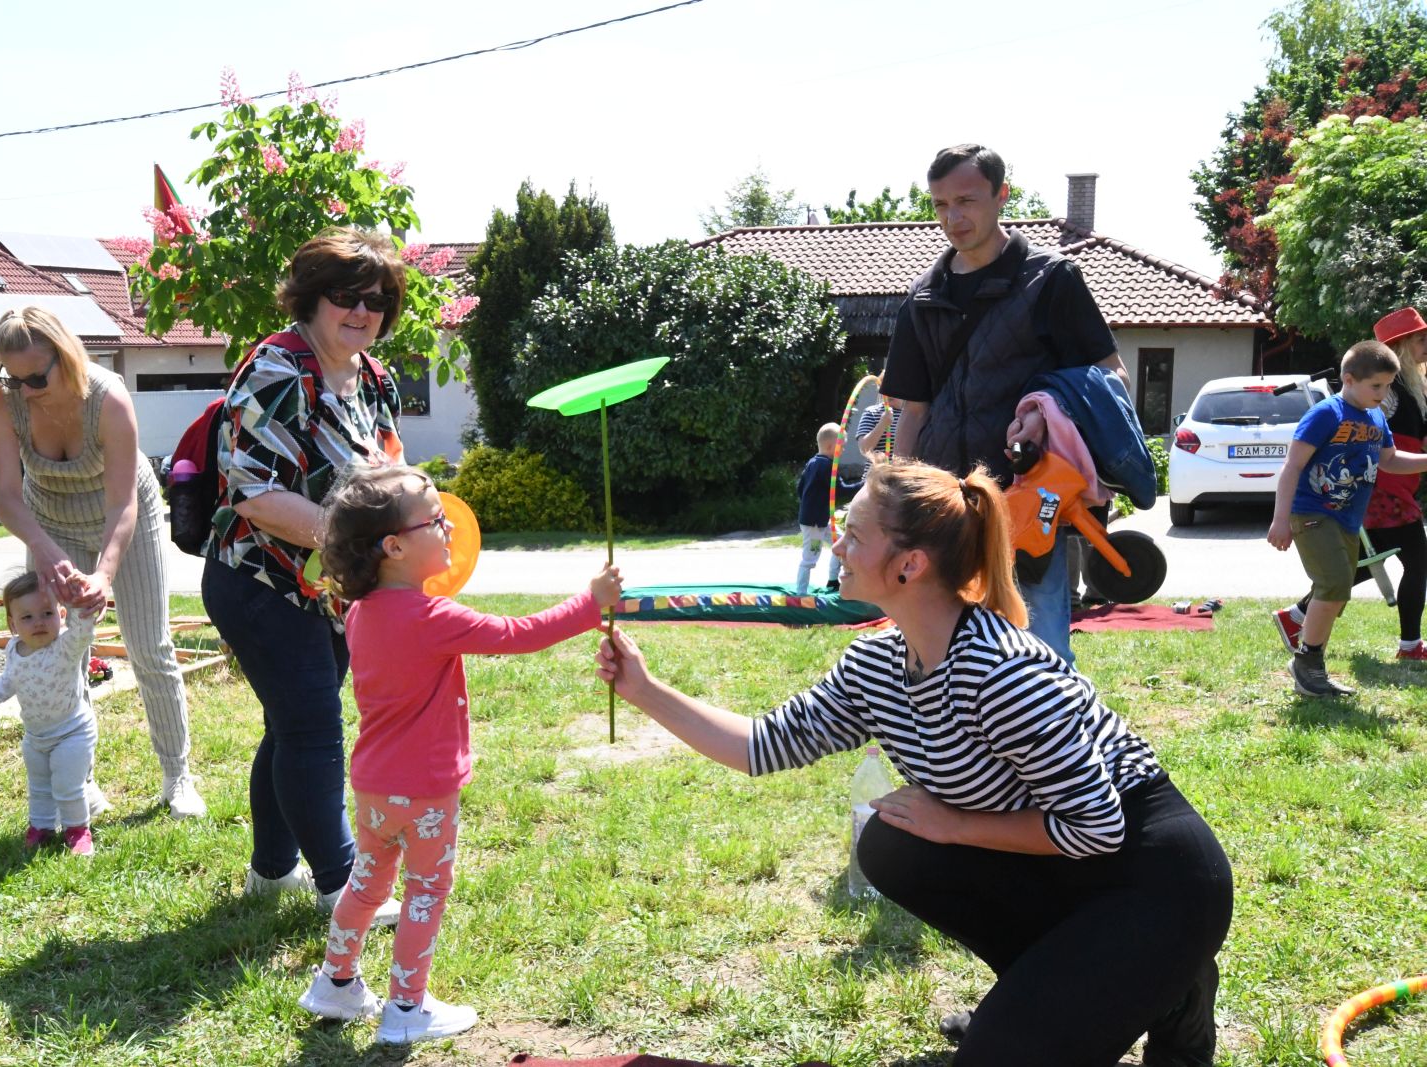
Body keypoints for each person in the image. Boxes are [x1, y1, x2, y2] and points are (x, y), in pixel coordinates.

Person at [595, 457, 1233, 1067]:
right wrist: (646, 691)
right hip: (1065, 865)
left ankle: (1173, 988)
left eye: (853, 534)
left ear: (909, 566)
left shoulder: (1003, 672)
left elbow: (1096, 828)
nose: (838, 547)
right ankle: (1063, 985)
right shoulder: (875, 666)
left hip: (1154, 876)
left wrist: (954, 825)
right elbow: (762, 745)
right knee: (892, 846)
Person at [296, 464, 623, 1042]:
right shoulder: (433, 617)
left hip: (372, 787)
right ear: (394, 546)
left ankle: (335, 984)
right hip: (425, 790)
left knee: (368, 882)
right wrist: (590, 603)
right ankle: (404, 1012)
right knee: (426, 890)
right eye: (435, 518)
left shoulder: (359, 613)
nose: (449, 526)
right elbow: (519, 633)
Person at [200, 227, 408, 918]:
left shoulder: (375, 380)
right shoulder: (277, 370)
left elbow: (386, 473)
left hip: (330, 589)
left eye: (377, 299)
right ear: (312, 297)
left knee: (290, 724)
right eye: (346, 296)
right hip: (257, 580)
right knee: (315, 724)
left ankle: (271, 871)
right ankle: (343, 884)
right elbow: (254, 494)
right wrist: (354, 542)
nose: (362, 311)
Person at [878, 144, 1129, 664]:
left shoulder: (1051, 279)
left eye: (967, 200)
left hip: (1029, 497)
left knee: (1042, 650)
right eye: (941, 204)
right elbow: (914, 410)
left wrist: (1047, 409)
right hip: (947, 505)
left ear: (1001, 196)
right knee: (942, 650)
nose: (953, 217)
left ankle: (1054, 742)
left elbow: (1112, 377)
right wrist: (899, 493)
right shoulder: (923, 294)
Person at [0, 306, 205, 820]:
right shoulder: (1, 402)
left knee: (149, 646)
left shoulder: (108, 398)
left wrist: (103, 573)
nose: (26, 390)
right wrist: (47, 551)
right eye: (14, 379)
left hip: (124, 515)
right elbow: (7, 497)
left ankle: (177, 776)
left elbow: (123, 503)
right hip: (47, 519)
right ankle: (79, 783)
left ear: (67, 357)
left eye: (37, 376)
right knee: (60, 655)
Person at [1267, 340, 1427, 696]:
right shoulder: (1328, 414)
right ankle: (1307, 664)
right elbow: (1292, 466)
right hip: (1312, 512)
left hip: (1347, 519)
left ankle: (1309, 659)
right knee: (1336, 582)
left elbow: (1390, 461)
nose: (1384, 394)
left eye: (1387, 386)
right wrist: (1280, 519)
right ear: (1349, 380)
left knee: (1338, 588)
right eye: (1377, 386)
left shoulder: (1374, 417)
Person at [0, 573, 100, 856]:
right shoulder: (15, 650)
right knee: (39, 785)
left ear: (62, 615)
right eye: (26, 617)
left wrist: (81, 604)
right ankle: (42, 827)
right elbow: (8, 681)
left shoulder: (65, 647)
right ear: (12, 624)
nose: (38, 622)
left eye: (47, 613)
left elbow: (83, 632)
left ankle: (77, 829)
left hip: (72, 731)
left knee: (67, 784)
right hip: (36, 736)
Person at [795, 422, 862, 594]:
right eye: (843, 446)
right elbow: (840, 490)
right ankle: (801, 594)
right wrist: (864, 484)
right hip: (815, 524)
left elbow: (800, 488)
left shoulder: (812, 462)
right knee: (810, 557)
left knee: (841, 544)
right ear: (832, 446)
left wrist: (810, 504)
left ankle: (833, 580)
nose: (844, 450)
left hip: (818, 520)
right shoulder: (827, 466)